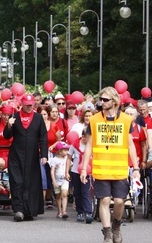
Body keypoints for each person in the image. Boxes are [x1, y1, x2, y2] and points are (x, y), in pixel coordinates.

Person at [80, 86, 140, 243]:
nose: (102, 102)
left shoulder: (127, 120)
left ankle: (117, 226)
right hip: (101, 168)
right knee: (105, 200)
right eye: (101, 99)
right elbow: (89, 145)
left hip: (119, 168)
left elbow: (131, 145)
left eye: (105, 99)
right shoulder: (94, 120)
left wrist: (136, 168)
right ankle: (107, 233)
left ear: (114, 101)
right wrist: (85, 168)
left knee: (120, 201)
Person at [3, 93, 48, 222]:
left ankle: (29, 210)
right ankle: (18, 210)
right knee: (17, 182)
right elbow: (7, 136)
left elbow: (43, 137)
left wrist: (44, 155)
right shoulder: (15, 117)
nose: (29, 107)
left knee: (30, 183)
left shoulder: (38, 118)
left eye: (31, 105)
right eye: (27, 105)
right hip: (16, 155)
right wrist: (9, 125)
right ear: (22, 104)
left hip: (32, 156)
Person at [66, 128, 93, 223]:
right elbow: (69, 158)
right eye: (88, 138)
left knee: (86, 192)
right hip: (75, 172)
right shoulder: (74, 144)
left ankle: (88, 212)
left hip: (87, 172)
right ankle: (80, 212)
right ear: (83, 137)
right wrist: (66, 172)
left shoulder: (92, 145)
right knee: (77, 193)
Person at [50, 142, 70, 219]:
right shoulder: (54, 160)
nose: (67, 152)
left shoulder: (67, 159)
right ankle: (59, 211)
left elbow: (69, 167)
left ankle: (64, 211)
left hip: (65, 179)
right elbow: (52, 171)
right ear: (59, 151)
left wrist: (68, 173)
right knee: (58, 196)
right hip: (57, 180)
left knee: (64, 194)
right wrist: (54, 181)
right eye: (65, 150)